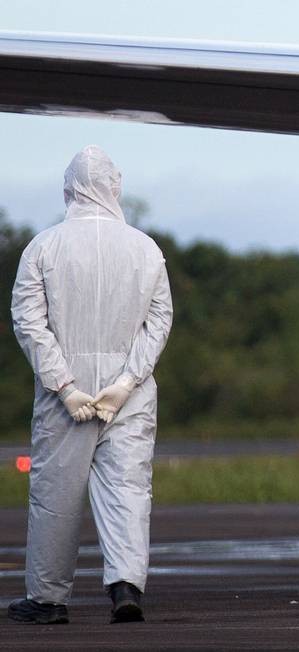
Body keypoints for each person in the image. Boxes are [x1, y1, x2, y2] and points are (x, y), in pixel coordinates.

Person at [8, 145, 173, 625]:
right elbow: (159, 321)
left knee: (56, 495)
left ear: (69, 188)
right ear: (115, 188)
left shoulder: (43, 247)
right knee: (127, 489)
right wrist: (126, 381)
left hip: (68, 395)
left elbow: (28, 321)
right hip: (131, 392)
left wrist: (64, 386)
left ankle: (48, 599)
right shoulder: (146, 248)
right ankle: (126, 586)